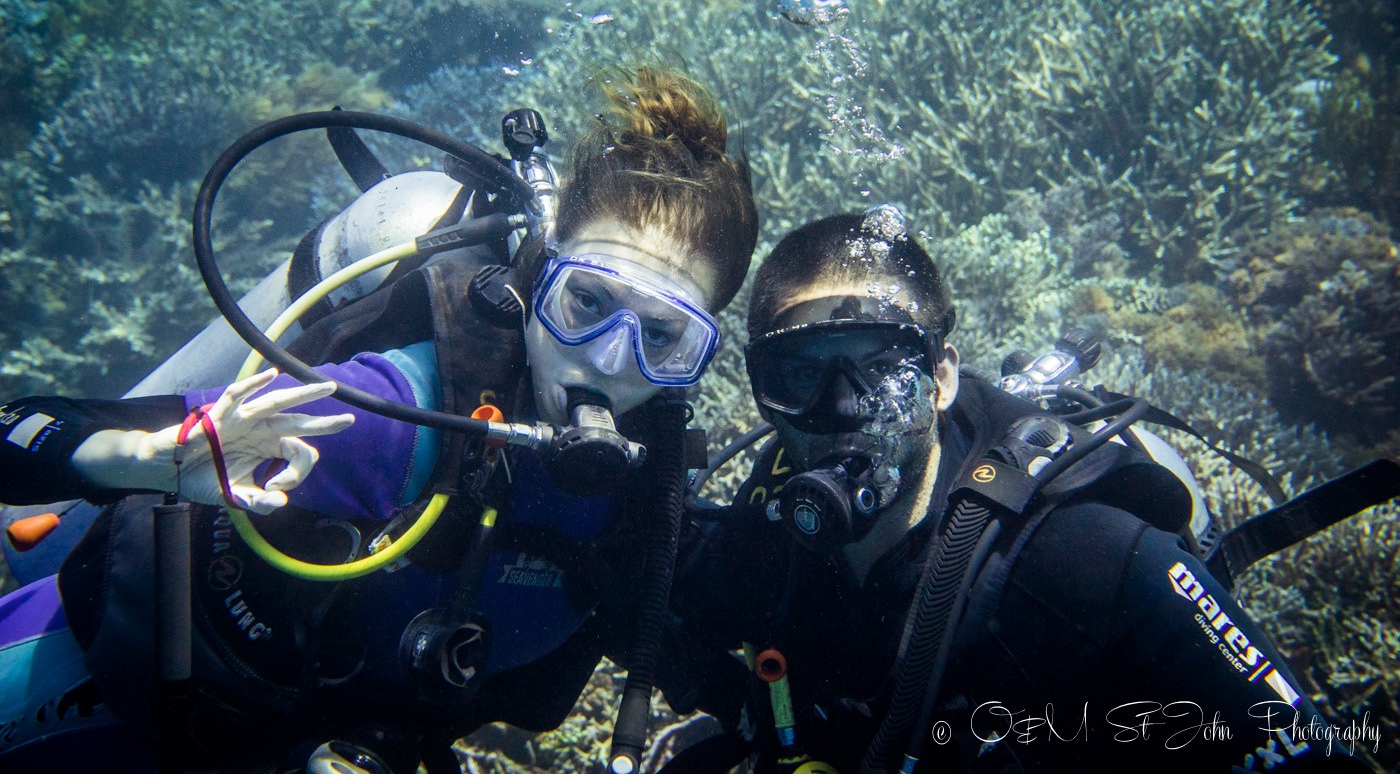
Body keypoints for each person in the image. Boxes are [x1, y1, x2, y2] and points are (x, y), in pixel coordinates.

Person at [0, 64, 760, 773]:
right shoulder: (397, 420)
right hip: (94, 688)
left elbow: (691, 635)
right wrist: (142, 458)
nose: (608, 360)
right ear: (539, 277)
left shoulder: (647, 501)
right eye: (586, 303)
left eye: (661, 336)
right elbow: (20, 429)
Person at [660, 208, 1369, 773]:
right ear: (763, 394)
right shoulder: (759, 541)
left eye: (880, 372)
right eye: (797, 376)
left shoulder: (1087, 560)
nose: (843, 411)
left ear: (941, 378)